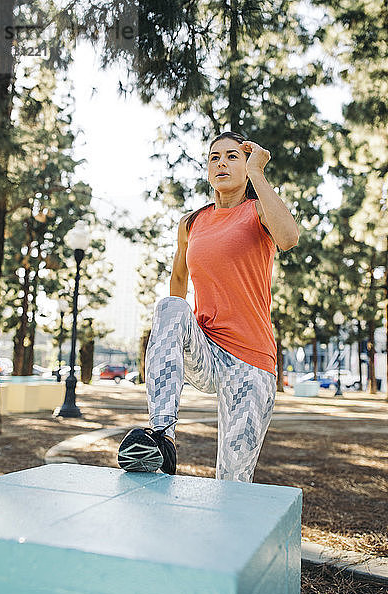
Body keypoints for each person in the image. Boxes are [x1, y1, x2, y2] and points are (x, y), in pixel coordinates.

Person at [117, 131, 299, 482]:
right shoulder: (191, 222)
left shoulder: (259, 211)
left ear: (246, 165)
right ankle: (162, 438)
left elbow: (289, 238)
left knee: (232, 481)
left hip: (251, 361)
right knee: (170, 307)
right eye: (215, 157)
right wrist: (176, 335)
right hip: (206, 351)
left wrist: (258, 173)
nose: (222, 163)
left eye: (233, 156)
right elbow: (178, 283)